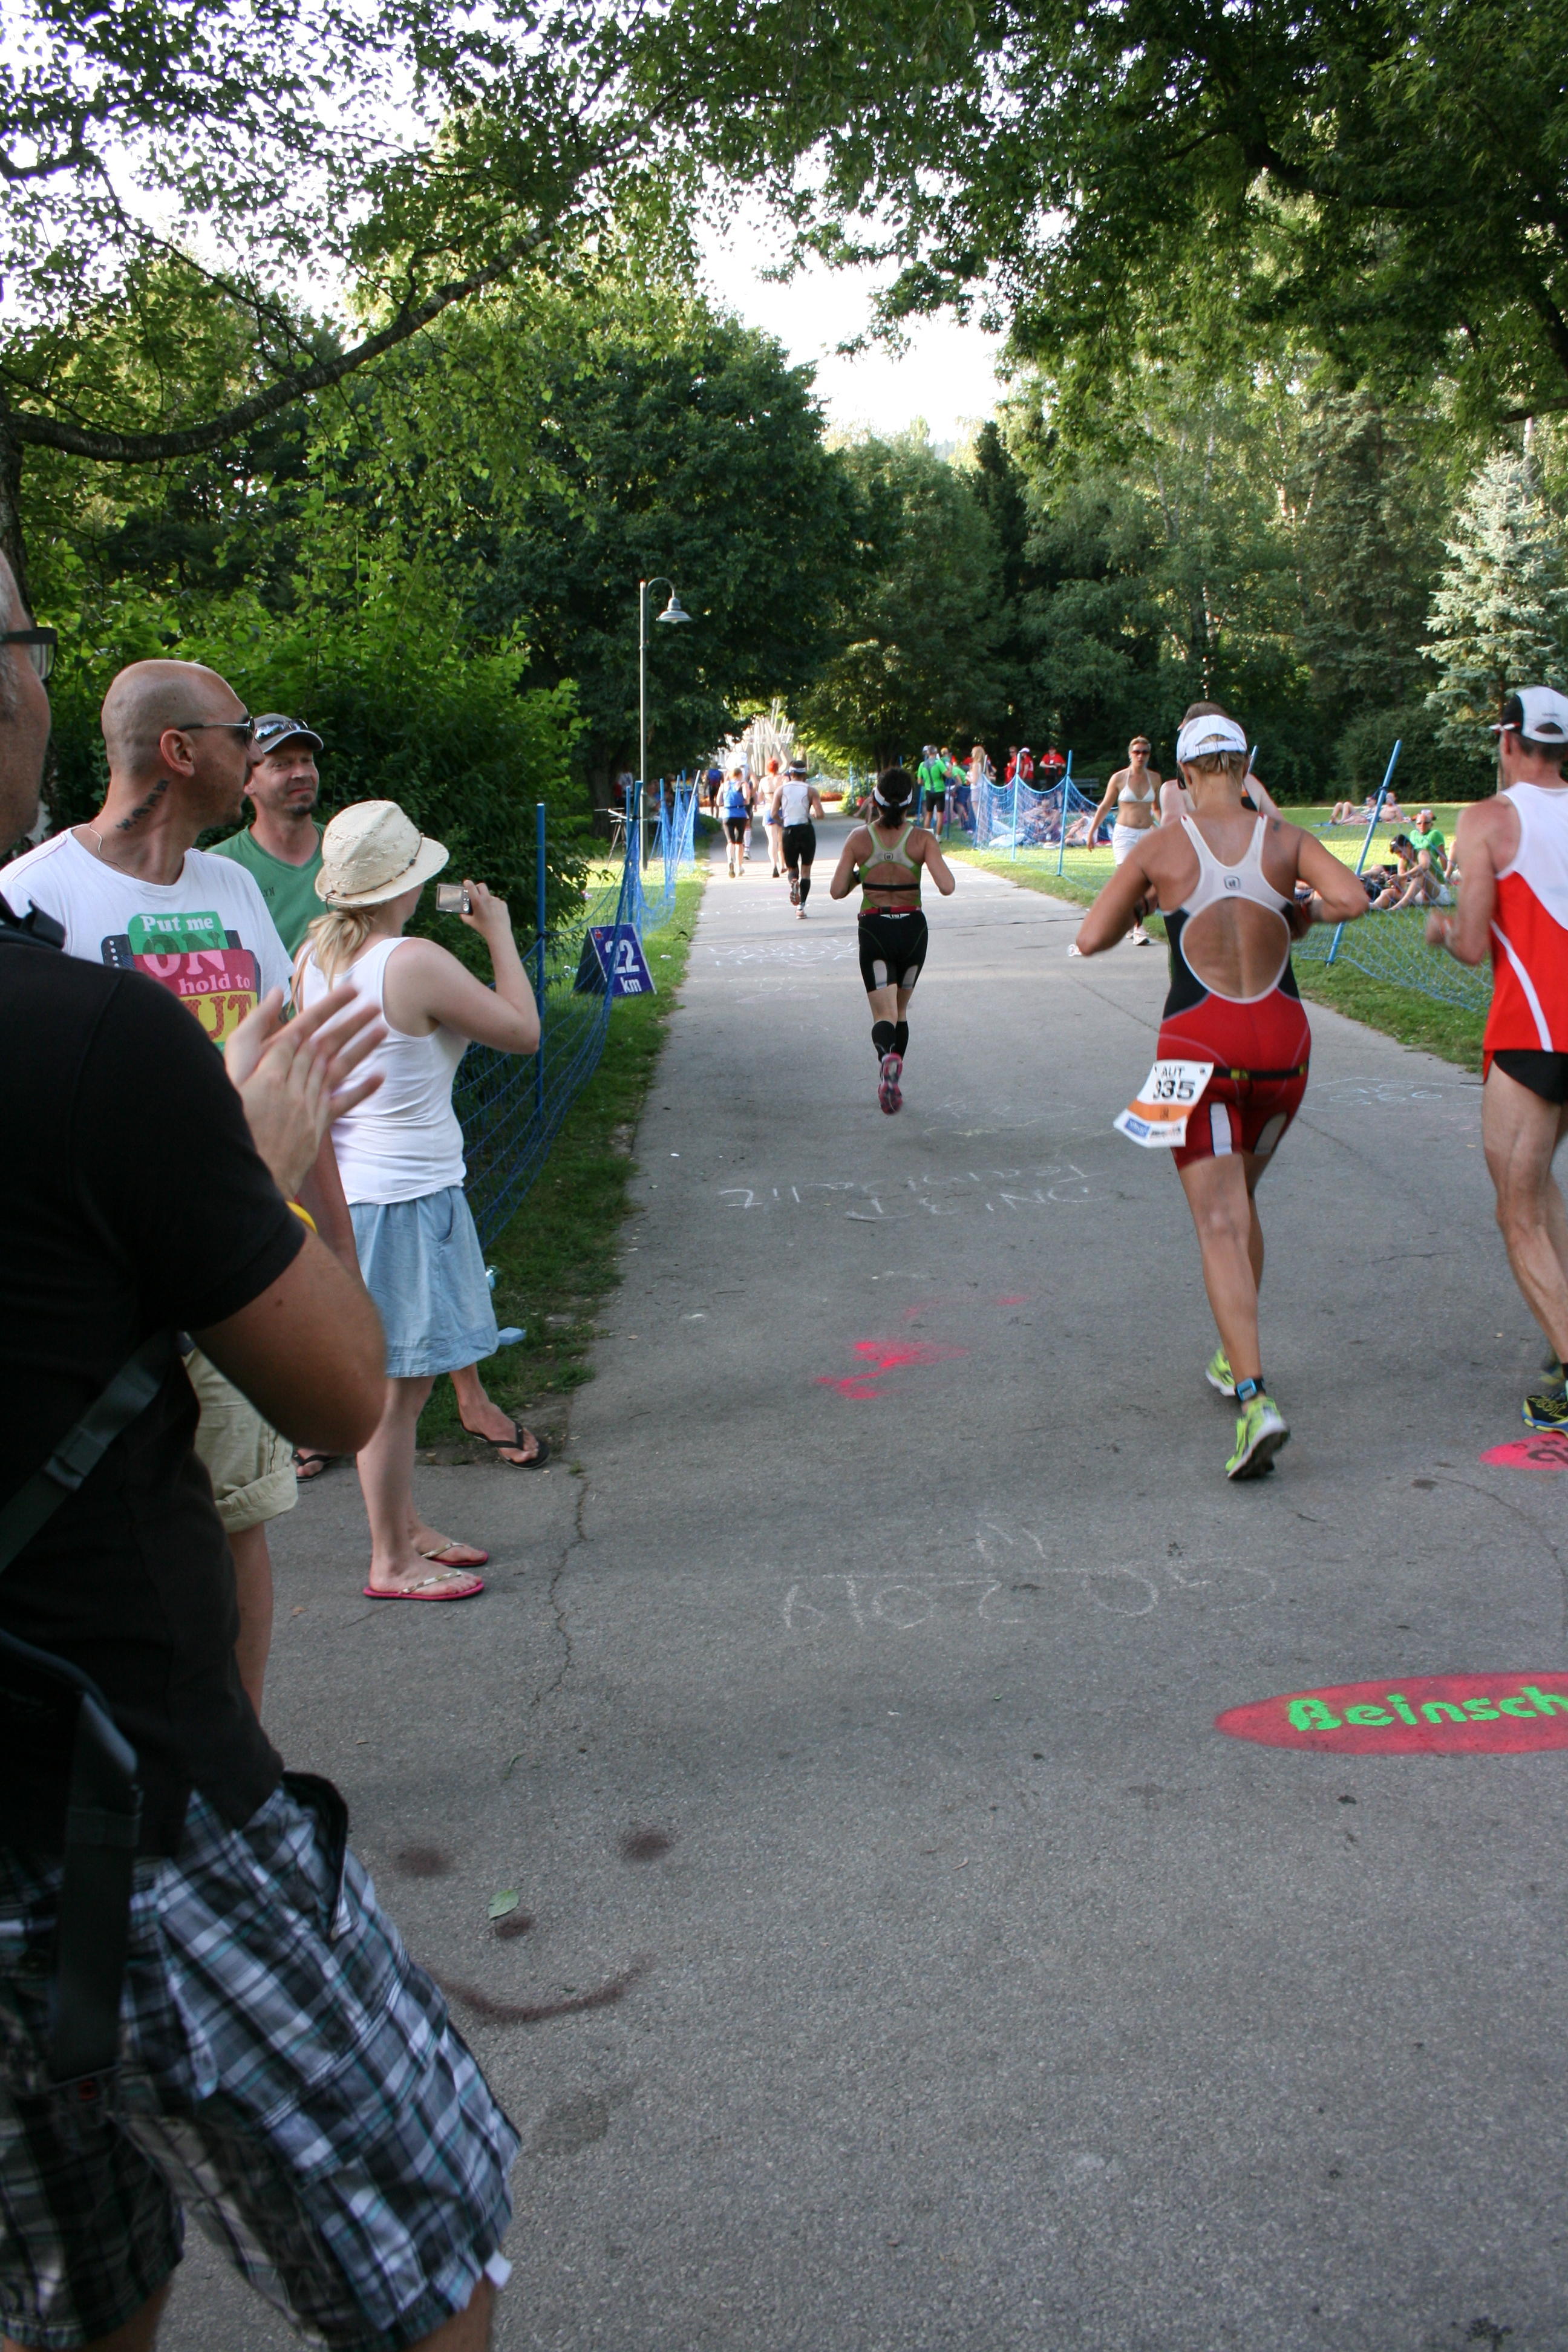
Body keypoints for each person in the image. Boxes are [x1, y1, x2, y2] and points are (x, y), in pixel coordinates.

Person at [0, 556, 521, 2352]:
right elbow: (341, 1395)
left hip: (200, 1322)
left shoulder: (226, 899)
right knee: (426, 2230)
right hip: (108, 1793)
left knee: (74, 2274)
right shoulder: (68, 993)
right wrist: (264, 1181)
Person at [1, 660, 359, 1716]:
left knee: (238, 1523)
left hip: (235, 1257)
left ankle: (238, 1760)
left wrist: (333, 1251)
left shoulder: (232, 890)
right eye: (241, 732)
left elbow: (293, 1078)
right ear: (178, 749)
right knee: (110, 1537)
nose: (256, 750)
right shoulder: (32, 895)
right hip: (105, 1295)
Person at [1075, 704, 1368, 1479]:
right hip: (1285, 1052)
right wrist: (1296, 913)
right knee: (1241, 1203)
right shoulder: (1285, 839)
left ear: (1183, 773)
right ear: (1244, 767)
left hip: (1198, 1049)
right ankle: (1233, 1356)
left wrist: (1145, 900)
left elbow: (1091, 937)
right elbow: (1353, 900)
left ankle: (1255, 1400)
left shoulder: (1164, 844)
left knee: (1218, 1223)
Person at [298, 801, 541, 1598]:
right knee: (397, 1392)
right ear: (408, 882)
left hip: (363, 1192)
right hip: (403, 1199)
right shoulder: (411, 962)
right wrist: (498, 933)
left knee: (409, 1378)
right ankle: (390, 1560)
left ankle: (404, 1529)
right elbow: (522, 1031)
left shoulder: (314, 957)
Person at [1427, 687, 1568, 1431]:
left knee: (1517, 1212)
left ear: (1509, 741)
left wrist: (1442, 929)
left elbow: (1474, 945)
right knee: (1539, 1188)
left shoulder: (1488, 819)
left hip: (1536, 1031)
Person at [829, 766, 956, 1116]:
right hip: (913, 929)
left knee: (882, 1013)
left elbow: (837, 891)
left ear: (876, 800)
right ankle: (895, 1071)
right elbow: (947, 886)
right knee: (900, 1010)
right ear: (910, 801)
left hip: (875, 928)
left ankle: (887, 1059)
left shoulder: (859, 838)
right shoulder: (923, 839)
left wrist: (863, 874)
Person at [208, 711, 325, 953]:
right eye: (282, 764)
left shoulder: (349, 848)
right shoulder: (219, 868)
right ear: (247, 781)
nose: (301, 773)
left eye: (307, 760)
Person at [1087, 736, 1163, 946]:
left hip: (1146, 833)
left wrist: (1166, 827)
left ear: (1149, 755)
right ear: (1130, 754)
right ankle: (1139, 928)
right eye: (1137, 752)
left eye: (1145, 752)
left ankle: (1130, 920)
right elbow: (1105, 806)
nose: (1140, 756)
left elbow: (1156, 808)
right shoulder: (1119, 778)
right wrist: (1092, 831)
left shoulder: (1155, 778)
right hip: (1125, 834)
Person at [774, 762, 826, 916]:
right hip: (806, 831)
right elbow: (820, 814)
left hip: (788, 831)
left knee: (792, 868)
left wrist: (784, 821)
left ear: (790, 774)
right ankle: (801, 907)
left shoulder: (781, 790)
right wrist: (814, 814)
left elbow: (773, 814)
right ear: (804, 775)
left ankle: (793, 882)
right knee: (806, 870)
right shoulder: (811, 790)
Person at [721, 767, 750, 877]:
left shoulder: (724, 785)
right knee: (739, 842)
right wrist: (746, 800)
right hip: (740, 814)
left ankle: (730, 860)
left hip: (727, 814)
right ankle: (739, 866)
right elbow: (746, 798)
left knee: (730, 842)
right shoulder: (743, 784)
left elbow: (719, 801)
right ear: (740, 775)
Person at [762, 756, 786, 877]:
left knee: (772, 840)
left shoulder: (764, 781)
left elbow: (759, 798)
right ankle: (783, 865)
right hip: (781, 810)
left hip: (769, 809)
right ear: (778, 767)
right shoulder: (784, 779)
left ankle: (774, 865)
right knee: (781, 839)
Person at [916, 745, 947, 831]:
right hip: (940, 790)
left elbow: (919, 781)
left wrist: (927, 783)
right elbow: (948, 775)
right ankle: (938, 836)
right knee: (940, 815)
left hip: (929, 791)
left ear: (928, 753)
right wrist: (950, 768)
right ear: (936, 752)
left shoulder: (922, 765)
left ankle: (928, 834)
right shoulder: (939, 763)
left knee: (929, 814)